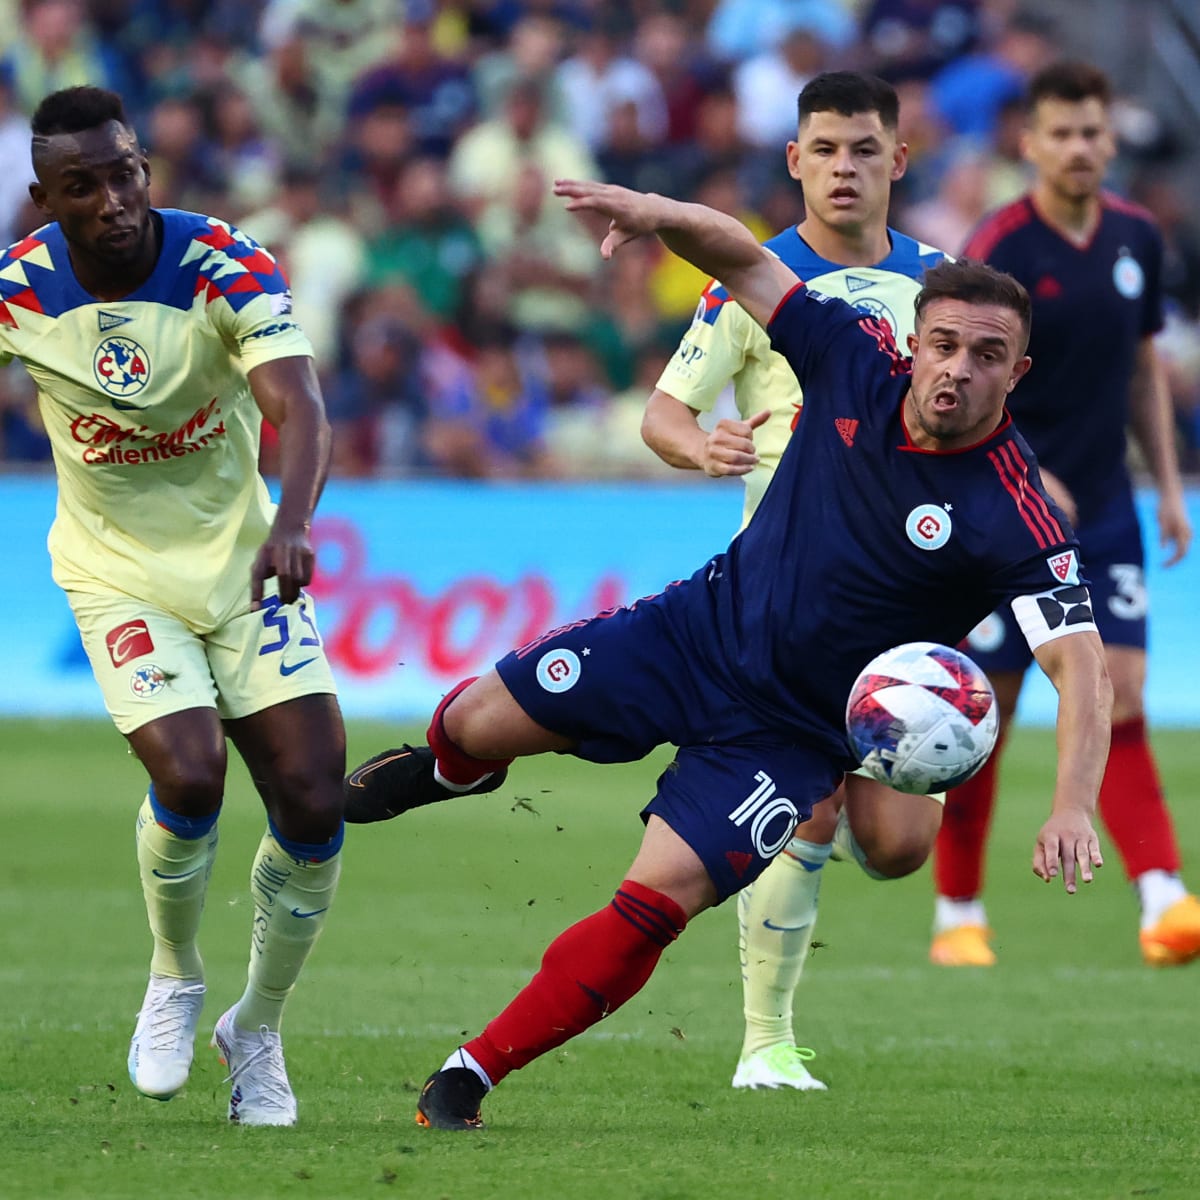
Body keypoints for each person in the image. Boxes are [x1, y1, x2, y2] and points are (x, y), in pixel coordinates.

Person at [346, 177, 1112, 1132]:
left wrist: (1073, 801)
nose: (957, 369)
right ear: (915, 342)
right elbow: (746, 257)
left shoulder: (1016, 514)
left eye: (986, 355)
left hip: (788, 739)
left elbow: (1080, 661)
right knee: (469, 722)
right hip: (691, 635)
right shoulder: (849, 357)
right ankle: (455, 774)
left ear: (1017, 373)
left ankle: (472, 1072)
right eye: (945, 345)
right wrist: (655, 215)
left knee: (656, 900)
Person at [6, 87, 347, 1125]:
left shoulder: (222, 262)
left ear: (144, 166)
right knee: (192, 773)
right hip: (117, 575)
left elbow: (299, 398)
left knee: (314, 796)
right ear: (46, 198)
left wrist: (291, 520)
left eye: (126, 173)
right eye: (84, 185)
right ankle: (173, 975)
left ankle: (258, 1027)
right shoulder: (19, 291)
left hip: (246, 564)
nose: (112, 200)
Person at [641, 70, 953, 1092]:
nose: (845, 168)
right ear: (795, 161)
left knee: (899, 847)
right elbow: (663, 413)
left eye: (864, 149)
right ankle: (765, 1043)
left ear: (897, 160)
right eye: (825, 150)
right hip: (785, 595)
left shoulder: (943, 283)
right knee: (799, 809)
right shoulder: (752, 275)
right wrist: (704, 448)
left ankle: (852, 817)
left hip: (909, 599)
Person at [930, 62, 1197, 968]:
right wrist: (1033, 473)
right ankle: (957, 912)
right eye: (1064, 133)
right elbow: (967, 378)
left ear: (1109, 141)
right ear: (1030, 143)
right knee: (988, 709)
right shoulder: (1003, 244)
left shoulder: (1136, 238)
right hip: (1008, 508)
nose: (1081, 148)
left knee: (1117, 691)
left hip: (1111, 504)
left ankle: (1162, 897)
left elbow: (1142, 367)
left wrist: (1167, 481)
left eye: (1093, 133)